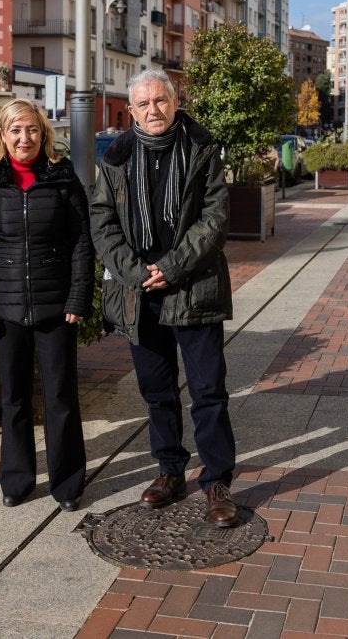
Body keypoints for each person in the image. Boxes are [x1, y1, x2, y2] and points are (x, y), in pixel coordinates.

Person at [90, 69, 239, 527]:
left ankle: (217, 482)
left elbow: (214, 218)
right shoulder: (115, 158)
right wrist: (138, 274)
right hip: (140, 294)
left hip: (193, 286)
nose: (153, 110)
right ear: (130, 111)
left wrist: (171, 267)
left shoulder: (202, 148)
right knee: (157, 394)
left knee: (208, 392)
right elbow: (102, 220)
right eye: (143, 104)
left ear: (175, 103)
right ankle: (170, 470)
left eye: (160, 101)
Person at [0, 99, 92, 511]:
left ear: (44, 134)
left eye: (32, 130)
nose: (24, 138)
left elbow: (81, 243)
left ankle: (67, 482)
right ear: (2, 135)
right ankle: (17, 479)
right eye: (15, 130)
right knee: (14, 398)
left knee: (60, 395)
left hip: (56, 306)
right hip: (5, 308)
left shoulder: (62, 176)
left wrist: (78, 296)